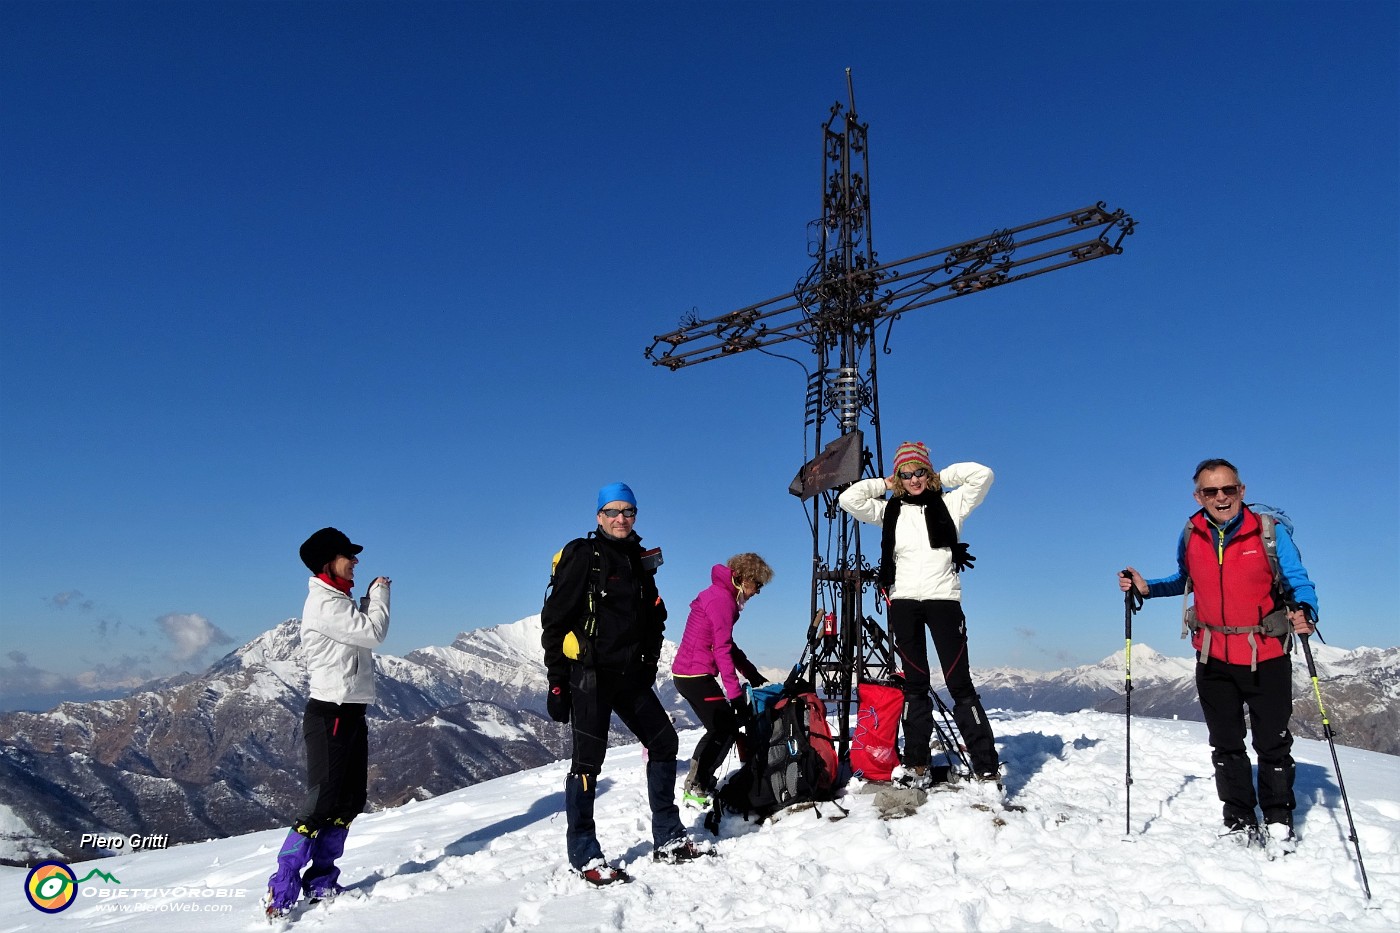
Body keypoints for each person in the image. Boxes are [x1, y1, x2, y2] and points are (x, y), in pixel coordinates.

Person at [1119, 458, 1317, 849]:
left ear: (1242, 491)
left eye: (1228, 489)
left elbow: (1299, 582)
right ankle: (1240, 819)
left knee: (1272, 744)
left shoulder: (1268, 533)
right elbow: (1184, 580)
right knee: (1225, 743)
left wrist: (1305, 612)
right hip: (1212, 658)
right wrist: (1146, 587)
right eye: (1211, 491)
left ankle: (1278, 820)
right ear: (1199, 496)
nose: (1221, 497)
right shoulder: (1191, 534)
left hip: (1267, 655)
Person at [540, 482, 708, 886]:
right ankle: (584, 853)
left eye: (628, 512)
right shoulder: (584, 556)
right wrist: (558, 681)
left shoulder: (638, 558)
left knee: (664, 741)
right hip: (590, 675)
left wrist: (648, 664)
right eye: (613, 512)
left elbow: (655, 617)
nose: (621, 519)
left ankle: (667, 836)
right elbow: (554, 620)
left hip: (629, 675)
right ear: (599, 516)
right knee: (587, 765)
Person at [838, 440, 1001, 783]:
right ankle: (916, 765)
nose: (914, 480)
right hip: (905, 603)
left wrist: (942, 475)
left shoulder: (949, 503)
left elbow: (982, 476)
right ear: (898, 477)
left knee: (960, 685)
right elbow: (848, 499)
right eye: (906, 474)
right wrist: (883, 484)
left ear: (929, 473)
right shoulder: (889, 511)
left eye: (920, 472)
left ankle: (986, 766)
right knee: (915, 685)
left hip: (944, 601)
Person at [264, 527, 391, 919]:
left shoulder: (340, 602)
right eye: (348, 555)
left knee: (349, 801)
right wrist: (381, 596)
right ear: (328, 562)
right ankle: (280, 890)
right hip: (330, 714)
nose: (355, 560)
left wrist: (367, 599)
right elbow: (374, 633)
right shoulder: (325, 605)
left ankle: (321, 882)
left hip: (350, 711)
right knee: (321, 802)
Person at [672, 553, 775, 808]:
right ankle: (697, 786)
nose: (757, 592)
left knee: (720, 727)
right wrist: (735, 695)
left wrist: (750, 672)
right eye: (757, 585)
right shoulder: (722, 601)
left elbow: (727, 646)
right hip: (694, 675)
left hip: (689, 674)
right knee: (725, 727)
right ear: (743, 578)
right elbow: (721, 651)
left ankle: (697, 783)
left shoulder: (721, 595)